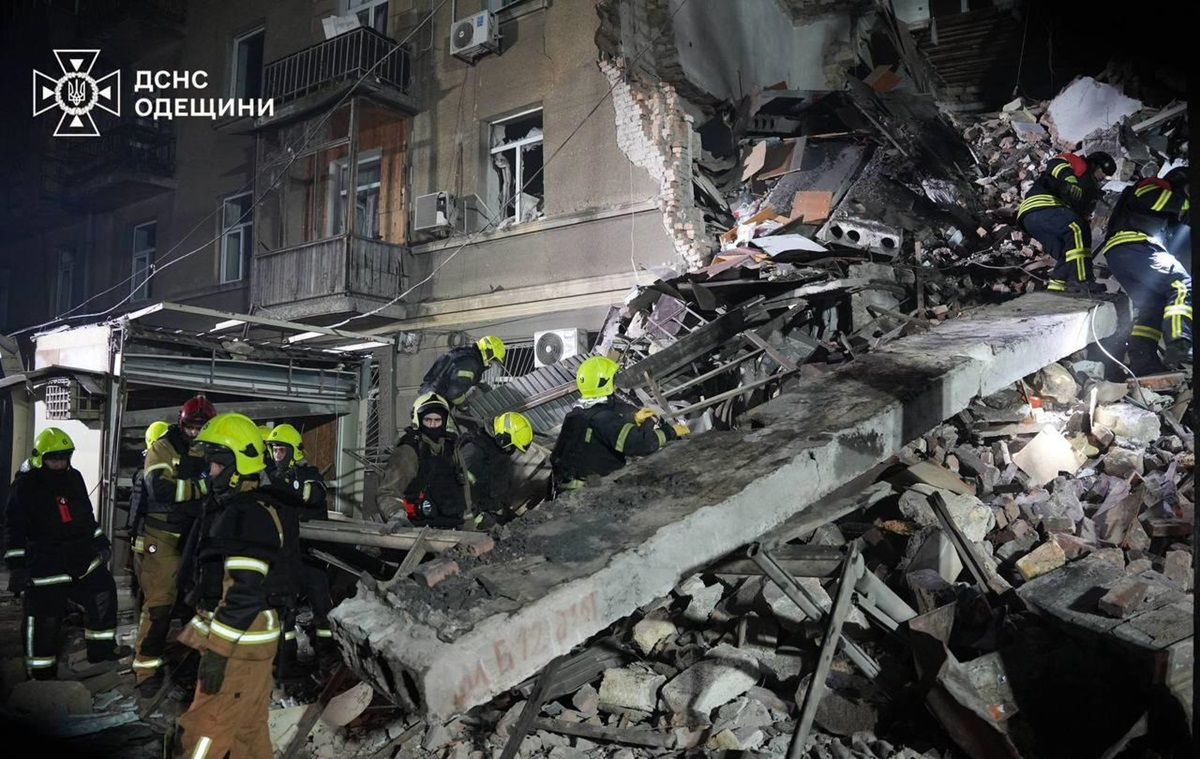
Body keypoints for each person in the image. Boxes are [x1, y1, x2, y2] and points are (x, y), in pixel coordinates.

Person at [174, 413, 285, 759]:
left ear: (238, 466)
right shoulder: (237, 509)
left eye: (217, 464)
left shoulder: (247, 515)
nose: (210, 472)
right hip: (248, 641)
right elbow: (215, 587)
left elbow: (242, 594)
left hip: (240, 646)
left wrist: (218, 653)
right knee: (248, 733)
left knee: (205, 731)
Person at [3, 427, 130, 679]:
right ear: (40, 458)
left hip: (79, 557)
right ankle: (40, 673)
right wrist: (17, 566)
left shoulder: (74, 478)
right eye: (54, 459)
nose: (60, 464)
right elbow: (13, 527)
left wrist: (100, 540)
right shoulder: (26, 485)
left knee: (103, 591)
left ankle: (101, 651)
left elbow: (86, 516)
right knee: (45, 617)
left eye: (64, 458)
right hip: (45, 562)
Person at [132, 395, 215, 698]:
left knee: (197, 604)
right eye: (191, 426)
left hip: (199, 536)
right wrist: (202, 487)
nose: (195, 432)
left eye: (201, 427)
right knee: (160, 605)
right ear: (182, 423)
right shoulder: (163, 448)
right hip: (163, 536)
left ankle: (192, 666)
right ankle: (145, 671)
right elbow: (160, 488)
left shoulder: (212, 448)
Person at [1098, 165, 1192, 375]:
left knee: (1152, 307)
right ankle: (1180, 342)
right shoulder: (1154, 185)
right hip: (1136, 246)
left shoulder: (1163, 211)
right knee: (1182, 283)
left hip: (1122, 255)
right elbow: (1152, 199)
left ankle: (1143, 363)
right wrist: (1185, 202)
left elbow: (1180, 223)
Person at [262, 423, 337, 676]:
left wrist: (281, 485)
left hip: (312, 554)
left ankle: (327, 655)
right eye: (274, 450)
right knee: (287, 609)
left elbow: (311, 495)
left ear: (294, 451)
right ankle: (287, 662)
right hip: (286, 554)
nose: (277, 455)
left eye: (282, 450)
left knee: (321, 606)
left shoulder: (310, 475)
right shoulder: (270, 475)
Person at [550, 356, 686, 493]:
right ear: (605, 383)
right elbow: (640, 444)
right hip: (592, 491)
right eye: (613, 379)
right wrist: (670, 431)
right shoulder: (603, 417)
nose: (615, 385)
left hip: (567, 488)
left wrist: (634, 419)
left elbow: (602, 435)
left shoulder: (576, 414)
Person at [1017, 151, 1116, 292]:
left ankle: (1058, 285)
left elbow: (1082, 214)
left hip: (1032, 220)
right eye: (1103, 171)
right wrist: (1069, 179)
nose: (1103, 177)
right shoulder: (1080, 165)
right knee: (1076, 228)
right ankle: (1081, 280)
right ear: (1095, 165)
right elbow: (1054, 163)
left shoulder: (1090, 191)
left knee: (1070, 249)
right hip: (1043, 205)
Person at [377, 393, 467, 529]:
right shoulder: (409, 450)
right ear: (418, 420)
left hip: (451, 527)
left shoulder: (452, 448)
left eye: (437, 420)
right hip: (417, 528)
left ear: (444, 421)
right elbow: (388, 491)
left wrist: (469, 527)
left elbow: (464, 490)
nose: (433, 425)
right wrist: (396, 514)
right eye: (428, 420)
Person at [458, 411, 534, 528]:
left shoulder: (495, 452)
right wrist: (479, 517)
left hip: (491, 511)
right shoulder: (473, 452)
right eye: (512, 446)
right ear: (503, 438)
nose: (512, 450)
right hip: (470, 516)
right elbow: (456, 488)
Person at [419, 335, 506, 407]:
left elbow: (474, 378)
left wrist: (486, 388)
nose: (491, 363)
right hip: (436, 402)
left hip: (429, 395)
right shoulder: (470, 364)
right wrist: (465, 406)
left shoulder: (467, 355)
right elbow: (454, 394)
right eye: (493, 360)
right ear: (488, 353)